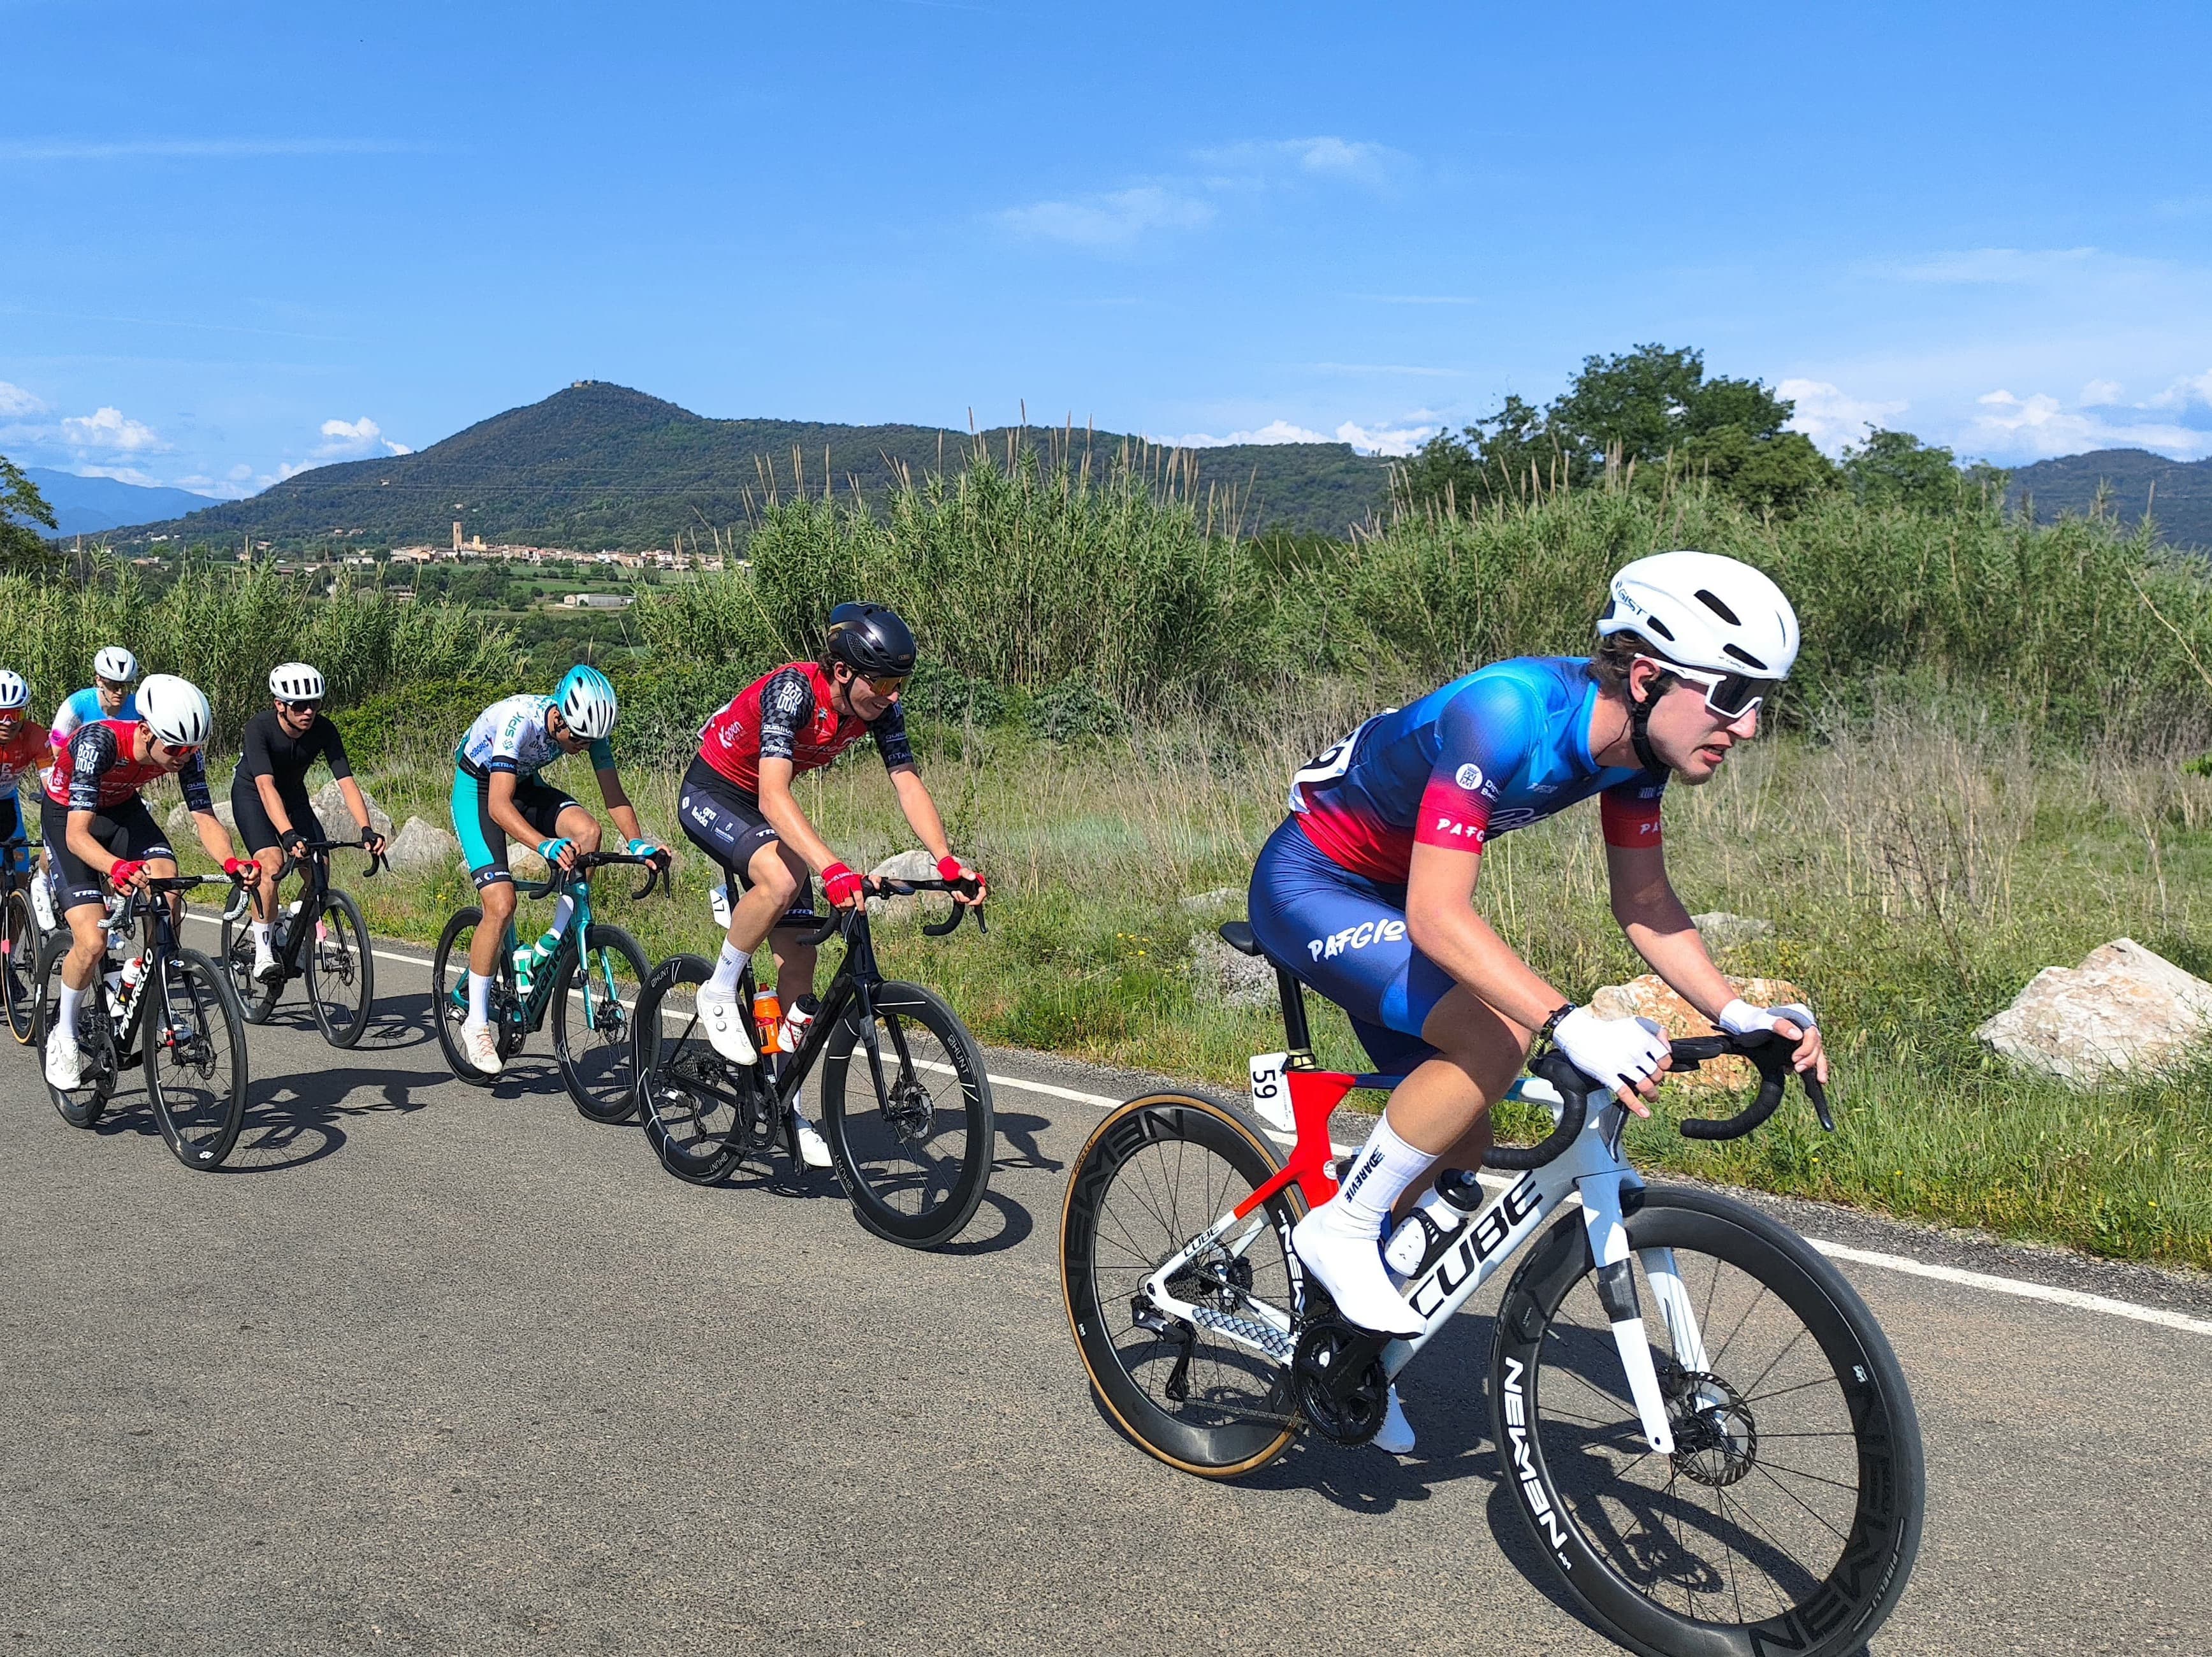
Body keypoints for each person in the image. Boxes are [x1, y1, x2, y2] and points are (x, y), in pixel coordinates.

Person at [1248, 551, 1828, 1454]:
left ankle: (1342, 1343)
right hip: (1315, 883)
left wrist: (1733, 1010)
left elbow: (1644, 902)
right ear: (1647, 676)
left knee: (1458, 1130)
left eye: (1760, 701)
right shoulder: (1507, 712)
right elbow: (1437, 916)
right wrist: (1566, 1021)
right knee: (1500, 1036)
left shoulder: (1635, 751)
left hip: (1396, 900)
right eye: (1730, 696)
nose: (1747, 726)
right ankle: (1343, 1228)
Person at [678, 602, 984, 1169]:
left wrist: (945, 861)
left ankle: (784, 1105)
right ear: (843, 671)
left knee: (800, 963)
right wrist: (832, 867)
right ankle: (718, 989)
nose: (893, 696)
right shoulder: (793, 691)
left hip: (765, 809)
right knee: (783, 875)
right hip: (715, 792)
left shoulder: (880, 708)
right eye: (883, 683)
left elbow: (907, 782)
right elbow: (772, 795)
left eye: (900, 684)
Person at [41, 673, 263, 1089]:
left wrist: (232, 862)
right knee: (92, 941)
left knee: (168, 885)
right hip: (69, 817)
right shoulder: (99, 743)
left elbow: (204, 818)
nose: (183, 757)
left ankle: (145, 981)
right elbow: (77, 836)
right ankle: (64, 1033)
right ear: (145, 730)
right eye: (175, 748)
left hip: (123, 812)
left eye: (192, 749)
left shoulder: (185, 752)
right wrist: (116, 868)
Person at [448, 665, 666, 1077]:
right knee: (501, 903)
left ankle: (553, 942)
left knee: (589, 833)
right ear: (560, 719)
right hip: (479, 790)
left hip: (523, 785)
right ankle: (475, 1022)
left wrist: (638, 843)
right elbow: (498, 806)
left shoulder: (589, 732)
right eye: (578, 739)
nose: (584, 747)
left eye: (591, 741)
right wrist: (543, 844)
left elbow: (614, 795)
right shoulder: (519, 721)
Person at [232, 663, 388, 983]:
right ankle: (264, 954)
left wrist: (366, 829)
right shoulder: (259, 728)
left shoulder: (324, 729)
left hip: (293, 796)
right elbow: (265, 786)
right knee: (271, 865)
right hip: (253, 794)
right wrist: (288, 834)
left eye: (314, 704)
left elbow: (346, 783)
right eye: (299, 706)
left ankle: (290, 926)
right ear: (280, 705)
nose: (308, 712)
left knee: (319, 870)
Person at [0, 671, 50, 888]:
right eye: (2, 714)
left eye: (15, 714)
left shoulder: (35, 736)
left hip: (7, 799)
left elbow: (51, 783)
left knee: (19, 876)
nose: (8, 722)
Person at [48, 646, 140, 751]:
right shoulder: (76, 704)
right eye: (113, 685)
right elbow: (57, 751)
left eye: (126, 686)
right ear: (99, 681)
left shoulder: (139, 707)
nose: (120, 692)